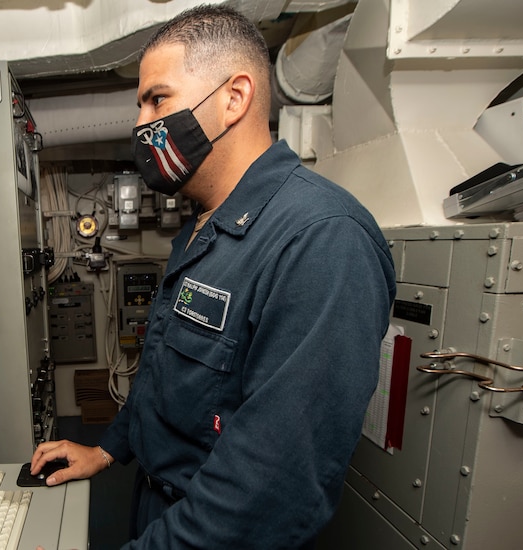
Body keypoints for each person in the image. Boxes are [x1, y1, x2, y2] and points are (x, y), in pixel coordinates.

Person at [31, 5, 396, 548]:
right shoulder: (205, 226)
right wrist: (108, 449)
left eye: (157, 99)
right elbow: (164, 376)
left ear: (234, 98)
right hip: (159, 506)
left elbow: (270, 493)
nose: (140, 125)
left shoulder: (322, 239)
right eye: (139, 105)